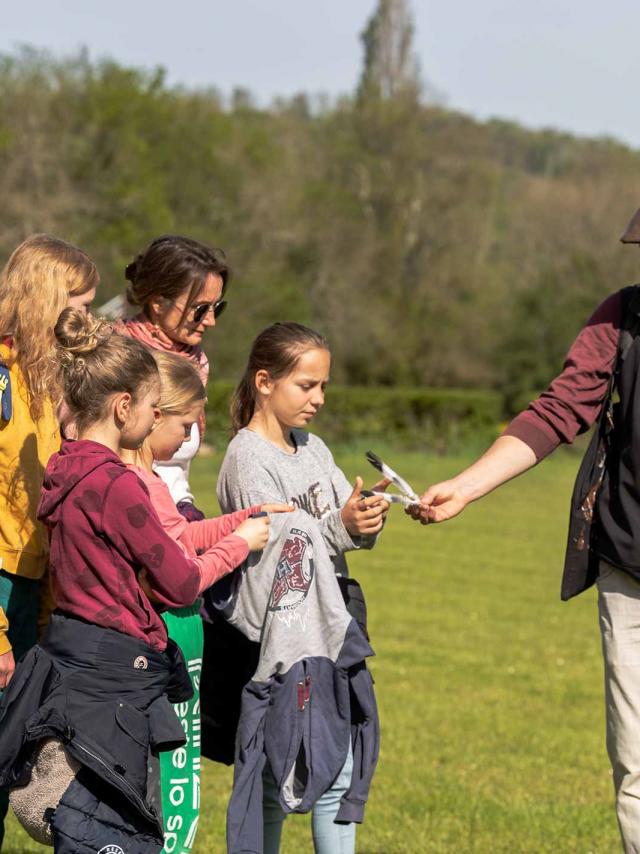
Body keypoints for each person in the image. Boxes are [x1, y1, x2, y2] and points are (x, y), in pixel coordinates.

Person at [0, 308, 273, 853]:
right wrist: (238, 544)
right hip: (115, 682)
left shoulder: (66, 466)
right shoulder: (117, 485)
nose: (155, 422)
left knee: (86, 822)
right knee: (111, 829)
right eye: (153, 408)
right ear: (123, 406)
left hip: (74, 660)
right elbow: (178, 583)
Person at [409, 277, 640, 852]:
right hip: (629, 566)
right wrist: (466, 486)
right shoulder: (623, 315)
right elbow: (560, 408)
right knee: (637, 765)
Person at [215, 321, 390, 854]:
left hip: (329, 623)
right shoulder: (248, 457)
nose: (318, 398)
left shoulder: (313, 448)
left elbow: (338, 527)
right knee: (276, 771)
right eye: (306, 385)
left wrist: (366, 519)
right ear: (264, 382)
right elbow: (284, 548)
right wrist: (341, 524)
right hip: (278, 638)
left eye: (323, 386)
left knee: (338, 764)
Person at [120, 349, 291, 853]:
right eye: (185, 424)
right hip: (163, 637)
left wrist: (244, 518)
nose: (191, 437)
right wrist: (239, 544)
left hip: (180, 635)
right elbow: (178, 575)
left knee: (179, 762)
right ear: (152, 416)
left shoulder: (150, 480)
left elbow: (182, 534)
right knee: (167, 769)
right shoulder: (134, 484)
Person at [0, 234, 98, 848]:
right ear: (42, 299)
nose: (84, 318)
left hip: (33, 586)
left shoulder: (49, 381)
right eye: (76, 303)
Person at [117, 234, 229, 520]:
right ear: (157, 303)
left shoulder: (198, 362)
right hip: (132, 514)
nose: (211, 321)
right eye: (200, 309)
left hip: (179, 508)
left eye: (217, 308)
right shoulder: (116, 357)